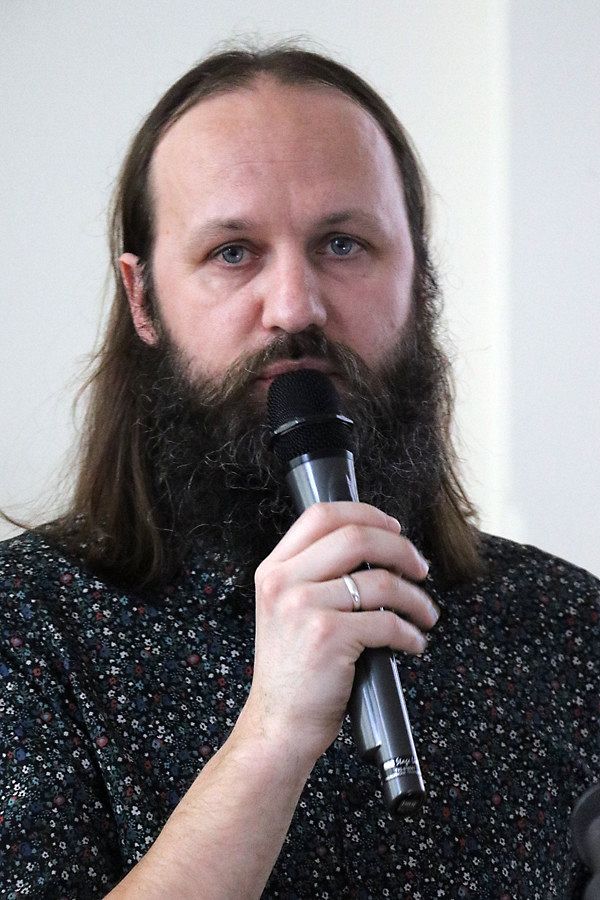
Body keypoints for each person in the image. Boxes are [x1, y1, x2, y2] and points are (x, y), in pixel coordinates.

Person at [1, 45, 598, 899]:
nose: (295, 307)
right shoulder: (28, 628)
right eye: (233, 252)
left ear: (420, 275)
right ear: (142, 298)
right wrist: (273, 733)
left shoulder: (569, 627)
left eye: (342, 244)